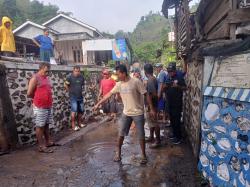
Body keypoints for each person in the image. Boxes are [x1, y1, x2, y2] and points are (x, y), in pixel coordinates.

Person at [93, 64, 154, 164]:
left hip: (138, 113)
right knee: (121, 134)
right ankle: (118, 153)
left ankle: (143, 155)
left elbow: (146, 94)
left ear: (124, 73)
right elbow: (109, 94)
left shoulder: (136, 82)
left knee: (141, 135)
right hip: (126, 113)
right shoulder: (119, 84)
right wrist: (98, 103)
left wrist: (151, 109)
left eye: (118, 74)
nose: (117, 77)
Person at [27, 62, 55, 153]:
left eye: (49, 71)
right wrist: (38, 99)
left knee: (46, 124)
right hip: (40, 106)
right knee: (40, 126)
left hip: (48, 105)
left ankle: (48, 142)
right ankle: (40, 146)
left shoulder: (46, 78)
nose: (48, 72)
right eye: (46, 70)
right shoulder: (35, 78)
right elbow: (29, 93)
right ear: (41, 68)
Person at [165, 62, 187, 144]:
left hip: (177, 103)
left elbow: (185, 88)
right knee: (172, 120)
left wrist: (178, 86)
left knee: (176, 121)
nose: (169, 73)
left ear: (174, 71)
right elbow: (166, 86)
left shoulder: (179, 76)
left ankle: (179, 138)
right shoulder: (168, 76)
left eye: (171, 71)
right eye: (168, 71)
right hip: (169, 102)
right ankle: (174, 134)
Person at [144, 64, 160, 148]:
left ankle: (157, 141)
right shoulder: (153, 78)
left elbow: (152, 94)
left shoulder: (150, 80)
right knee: (151, 123)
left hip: (152, 106)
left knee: (154, 122)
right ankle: (151, 137)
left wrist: (151, 108)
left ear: (145, 71)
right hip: (152, 105)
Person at [65, 66, 85, 131]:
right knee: (74, 111)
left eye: (78, 71)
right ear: (73, 71)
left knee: (80, 111)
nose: (77, 72)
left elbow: (82, 85)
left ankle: (79, 123)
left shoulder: (82, 77)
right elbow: (66, 85)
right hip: (73, 97)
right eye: (76, 71)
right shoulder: (69, 77)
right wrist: (70, 92)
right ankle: (73, 126)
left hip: (80, 96)